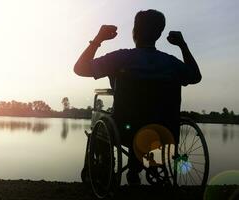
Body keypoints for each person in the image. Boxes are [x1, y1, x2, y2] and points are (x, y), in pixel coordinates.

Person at [74, 9, 201, 185]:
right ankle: (137, 168)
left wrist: (98, 39)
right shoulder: (171, 63)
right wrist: (182, 45)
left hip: (125, 130)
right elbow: (195, 76)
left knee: (101, 119)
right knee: (146, 119)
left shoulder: (121, 58)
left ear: (135, 31)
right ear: (159, 33)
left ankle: (104, 170)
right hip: (163, 132)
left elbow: (80, 68)